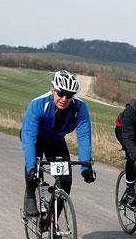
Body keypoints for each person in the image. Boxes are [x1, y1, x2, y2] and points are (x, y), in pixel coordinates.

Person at [21, 70, 96, 220]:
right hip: (35, 138)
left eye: (69, 95)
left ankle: (52, 221)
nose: (64, 98)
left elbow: (84, 136)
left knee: (66, 180)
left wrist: (86, 166)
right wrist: (31, 168)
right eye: (60, 93)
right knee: (34, 171)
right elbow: (29, 138)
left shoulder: (79, 108)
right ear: (52, 90)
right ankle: (30, 194)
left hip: (55, 141)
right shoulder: (38, 104)